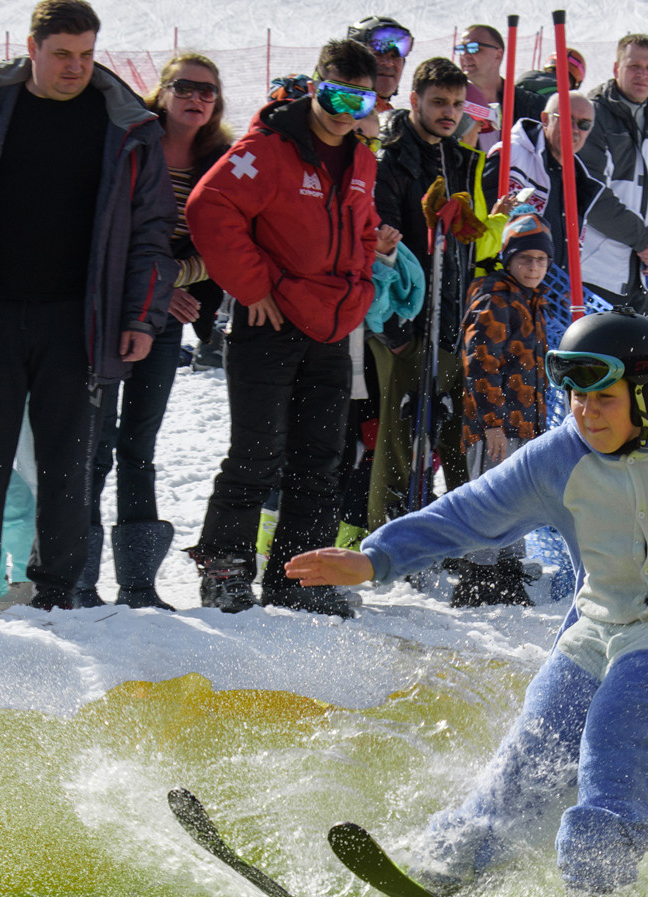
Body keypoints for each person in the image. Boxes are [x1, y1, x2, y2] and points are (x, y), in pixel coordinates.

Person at [282, 311, 648, 897]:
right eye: (576, 397)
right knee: (526, 764)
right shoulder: (559, 457)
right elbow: (469, 512)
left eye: (605, 399)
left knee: (618, 737)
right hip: (600, 630)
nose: (586, 413)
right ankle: (437, 875)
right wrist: (375, 557)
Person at [0, 0, 173, 621]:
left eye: (86, 54)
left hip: (77, 317)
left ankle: (58, 593)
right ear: (31, 49)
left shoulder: (125, 123)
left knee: (68, 463)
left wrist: (141, 316)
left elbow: (151, 229)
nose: (75, 67)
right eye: (62, 54)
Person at [185, 38, 390, 616]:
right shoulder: (270, 147)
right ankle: (225, 570)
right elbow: (209, 207)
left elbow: (367, 226)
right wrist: (254, 286)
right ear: (315, 86)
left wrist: (362, 289)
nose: (343, 111)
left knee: (321, 459)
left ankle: (301, 577)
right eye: (334, 95)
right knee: (255, 453)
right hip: (267, 326)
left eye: (359, 99)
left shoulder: (362, 154)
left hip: (332, 327)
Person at [73, 51, 231, 611]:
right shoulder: (128, 143)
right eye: (185, 87)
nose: (196, 98)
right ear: (162, 92)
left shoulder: (220, 161)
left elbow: (224, 245)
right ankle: (77, 580)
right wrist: (155, 288)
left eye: (208, 91)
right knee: (92, 447)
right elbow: (103, 230)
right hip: (109, 311)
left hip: (163, 322)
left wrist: (166, 287)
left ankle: (138, 584)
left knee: (138, 445)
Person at [367, 56, 480, 527]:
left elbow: (471, 242)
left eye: (456, 103)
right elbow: (383, 241)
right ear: (415, 100)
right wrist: (395, 323)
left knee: (454, 430)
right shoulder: (392, 157)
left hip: (453, 316)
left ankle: (451, 530)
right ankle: (387, 528)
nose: (448, 112)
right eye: (438, 102)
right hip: (404, 318)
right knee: (399, 431)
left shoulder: (461, 159)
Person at [448, 209, 551, 607]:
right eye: (525, 259)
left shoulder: (530, 300)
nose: (533, 267)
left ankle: (507, 569)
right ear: (509, 260)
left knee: (518, 497)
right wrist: (491, 422)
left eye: (541, 260)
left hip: (523, 423)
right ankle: (479, 575)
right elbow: (480, 363)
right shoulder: (496, 299)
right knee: (492, 498)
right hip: (497, 424)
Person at [580, 33, 648, 311]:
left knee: (635, 354)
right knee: (591, 354)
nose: (642, 74)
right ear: (617, 68)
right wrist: (645, 241)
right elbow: (592, 193)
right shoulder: (593, 115)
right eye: (634, 66)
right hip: (596, 273)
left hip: (644, 272)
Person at [482, 89, 609, 263]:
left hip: (550, 287)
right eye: (566, 119)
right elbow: (483, 216)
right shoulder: (511, 155)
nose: (574, 130)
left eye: (584, 124)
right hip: (505, 282)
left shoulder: (579, 179)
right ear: (545, 119)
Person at [456, 24, 506, 152]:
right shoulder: (451, 103)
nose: (465, 55)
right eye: (461, 49)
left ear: (498, 55)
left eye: (474, 48)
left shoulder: (526, 104)